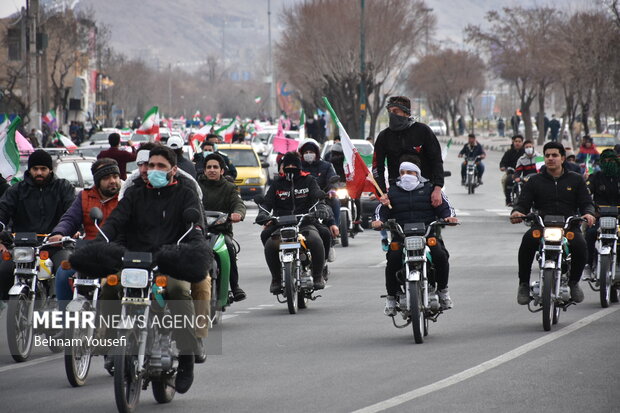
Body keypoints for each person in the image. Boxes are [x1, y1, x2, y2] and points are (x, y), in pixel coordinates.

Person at [97, 145, 206, 393]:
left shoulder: (186, 193)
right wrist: (99, 242)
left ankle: (187, 357)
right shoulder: (134, 194)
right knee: (110, 287)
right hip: (138, 262)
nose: (153, 170)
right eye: (151, 165)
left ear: (173, 170)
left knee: (178, 290)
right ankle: (114, 346)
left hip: (172, 261)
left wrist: (190, 250)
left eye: (160, 166)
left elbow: (196, 230)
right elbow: (115, 223)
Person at [510, 142, 595, 305]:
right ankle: (523, 284)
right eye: (547, 155)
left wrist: (589, 213)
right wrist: (517, 212)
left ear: (563, 158)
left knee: (580, 245)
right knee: (527, 241)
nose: (550, 158)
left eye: (554, 155)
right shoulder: (534, 180)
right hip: (542, 225)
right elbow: (523, 203)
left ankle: (574, 282)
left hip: (569, 226)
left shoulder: (575, 179)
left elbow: (586, 202)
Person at [371, 161, 458, 314]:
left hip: (427, 234)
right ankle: (391, 298)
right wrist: (379, 221)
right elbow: (381, 210)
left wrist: (449, 217)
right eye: (402, 172)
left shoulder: (430, 190)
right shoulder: (392, 192)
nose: (406, 176)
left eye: (409, 173)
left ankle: (443, 291)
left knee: (440, 256)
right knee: (393, 259)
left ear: (417, 174)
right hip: (401, 236)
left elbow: (445, 207)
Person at [256, 152, 337, 293]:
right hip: (281, 224)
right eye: (287, 165)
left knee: (318, 238)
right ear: (282, 167)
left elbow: (318, 198)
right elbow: (267, 203)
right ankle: (276, 278)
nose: (290, 167)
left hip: (305, 223)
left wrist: (321, 208)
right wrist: (263, 213)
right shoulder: (276, 184)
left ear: (299, 166)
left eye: (294, 165)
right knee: (268, 242)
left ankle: (318, 276)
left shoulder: (309, 180)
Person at [0, 150, 75, 300]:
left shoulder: (63, 187)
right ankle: (5, 307)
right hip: (22, 247)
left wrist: (69, 232)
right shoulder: (16, 190)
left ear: (50, 170)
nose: (39, 172)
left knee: (65, 269)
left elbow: (72, 213)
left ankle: (65, 310)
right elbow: (3, 211)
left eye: (43, 169)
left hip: (56, 246)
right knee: (4, 270)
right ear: (29, 170)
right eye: (35, 169)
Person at [49, 158, 121, 310]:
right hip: (89, 251)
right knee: (63, 272)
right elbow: (70, 219)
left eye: (115, 176)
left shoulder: (126, 197)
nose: (113, 181)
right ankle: (65, 322)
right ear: (97, 180)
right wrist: (59, 233)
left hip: (117, 253)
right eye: (107, 178)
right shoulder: (84, 196)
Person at [372, 96, 445, 208]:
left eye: (396, 111)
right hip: (396, 191)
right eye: (390, 111)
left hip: (425, 189)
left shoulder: (423, 131)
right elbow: (377, 167)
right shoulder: (384, 136)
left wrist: (437, 188)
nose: (392, 114)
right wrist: (382, 193)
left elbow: (436, 160)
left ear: (406, 113)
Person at [197, 153, 247, 301]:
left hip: (221, 232)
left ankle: (235, 286)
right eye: (209, 167)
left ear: (222, 170)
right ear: (204, 170)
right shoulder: (196, 187)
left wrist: (238, 213)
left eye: (215, 167)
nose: (212, 170)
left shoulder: (230, 188)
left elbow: (239, 204)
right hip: (198, 232)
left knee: (229, 247)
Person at [583, 149, 620, 278]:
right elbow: (586, 194)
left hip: (619, 218)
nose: (608, 163)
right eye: (605, 161)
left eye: (611, 160)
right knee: (590, 233)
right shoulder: (596, 177)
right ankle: (588, 265)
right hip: (600, 216)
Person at [298, 138, 341, 227]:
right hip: (303, 197)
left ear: (316, 153)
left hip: (324, 197)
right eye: (306, 153)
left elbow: (332, 179)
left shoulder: (326, 166)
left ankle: (335, 228)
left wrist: (332, 190)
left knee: (335, 201)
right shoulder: (298, 167)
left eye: (311, 152)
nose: (308, 154)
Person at [328, 142, 363, 233]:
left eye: (338, 154)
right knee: (330, 201)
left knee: (357, 199)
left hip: (348, 185)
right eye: (335, 153)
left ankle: (357, 222)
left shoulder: (350, 161)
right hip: (336, 186)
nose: (336, 156)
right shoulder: (328, 163)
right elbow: (328, 177)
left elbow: (356, 172)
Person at [499, 135, 525, 206]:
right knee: (505, 180)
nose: (517, 143)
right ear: (513, 142)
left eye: (519, 141)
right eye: (516, 141)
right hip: (512, 172)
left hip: (524, 173)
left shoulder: (526, 153)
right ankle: (508, 199)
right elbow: (503, 162)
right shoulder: (509, 152)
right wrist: (503, 167)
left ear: (522, 143)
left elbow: (539, 160)